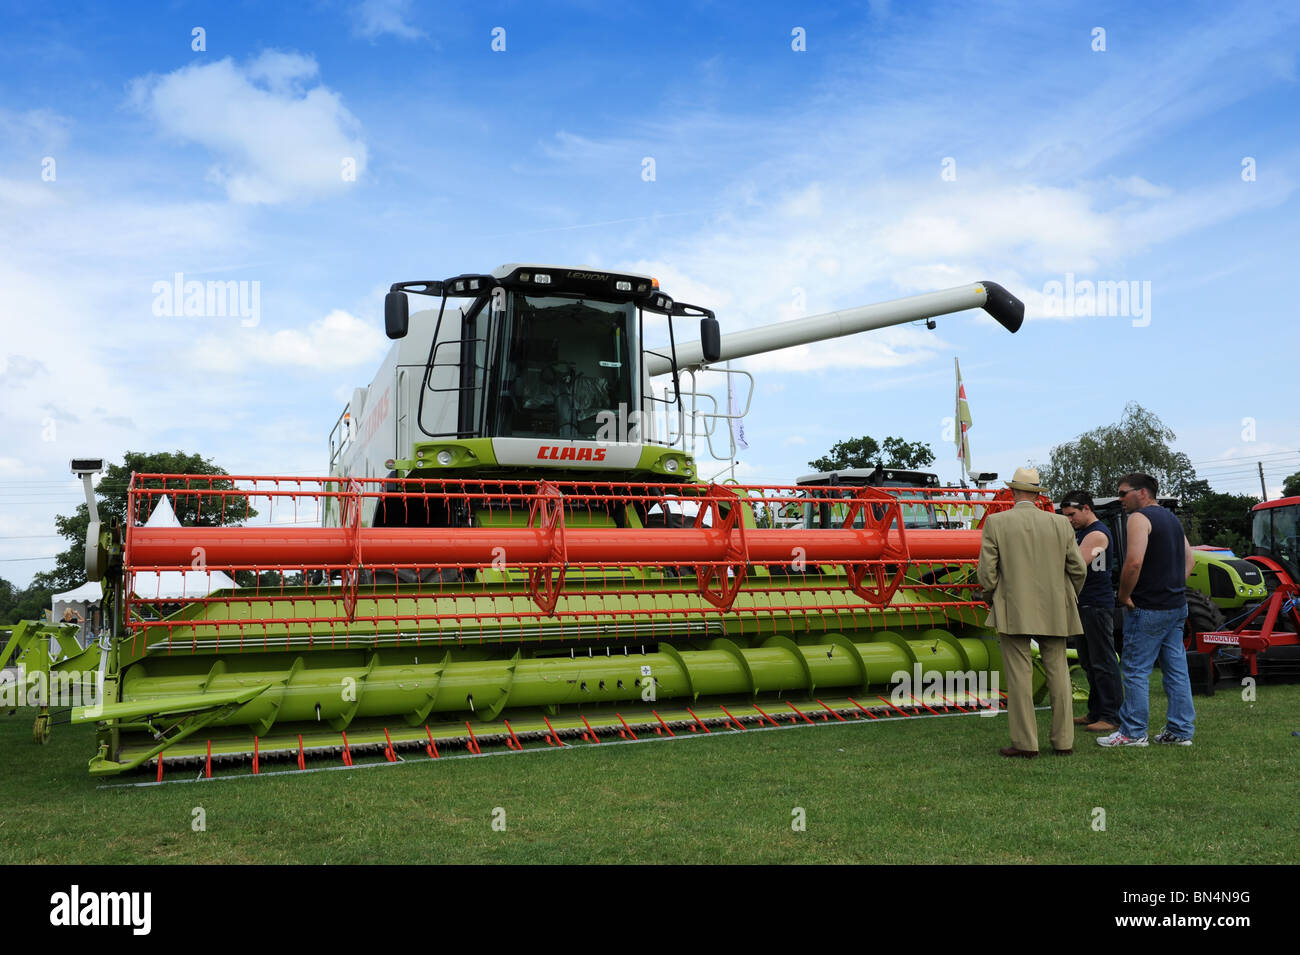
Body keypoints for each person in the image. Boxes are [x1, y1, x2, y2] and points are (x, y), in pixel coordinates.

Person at [977, 467, 1087, 758]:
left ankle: (1026, 743)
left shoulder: (996, 522)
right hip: (1055, 607)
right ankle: (1064, 741)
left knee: (1019, 676)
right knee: (1059, 673)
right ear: (1038, 494)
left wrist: (993, 597)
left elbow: (987, 573)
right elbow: (1078, 568)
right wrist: (1066, 595)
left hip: (1013, 606)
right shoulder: (1061, 524)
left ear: (1013, 492)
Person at [1099, 473, 1197, 748]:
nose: (1119, 500)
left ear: (1142, 493)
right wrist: (1172, 586)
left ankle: (1132, 732)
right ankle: (1180, 731)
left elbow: (1133, 562)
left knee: (1135, 669)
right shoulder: (1171, 519)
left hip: (1147, 607)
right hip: (1176, 606)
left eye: (1123, 493)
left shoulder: (1138, 519)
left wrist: (1124, 594)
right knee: (1176, 669)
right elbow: (1189, 560)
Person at [1060, 490, 1123, 732]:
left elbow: (1076, 565)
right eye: (1065, 516)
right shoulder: (1084, 532)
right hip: (1086, 603)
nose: (1069, 520)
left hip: (1095, 604)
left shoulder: (1096, 534)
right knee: (1089, 661)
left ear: (1087, 508)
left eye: (1072, 514)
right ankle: (1097, 711)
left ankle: (1111, 715)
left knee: (1103, 661)